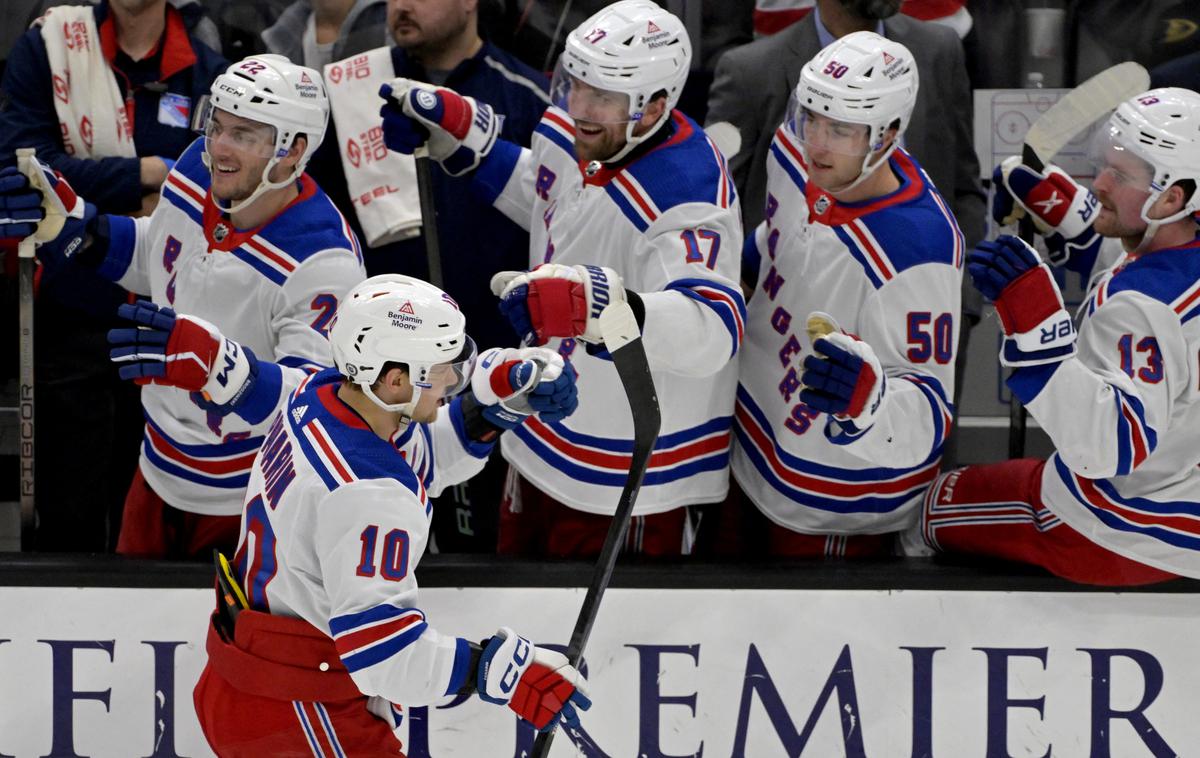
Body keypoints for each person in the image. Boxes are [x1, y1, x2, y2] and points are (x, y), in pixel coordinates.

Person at [380, 0, 746, 558]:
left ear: (654, 106)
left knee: (614, 644)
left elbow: (712, 329)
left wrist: (601, 308)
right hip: (538, 429)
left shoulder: (690, 191)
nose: (579, 105)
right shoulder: (578, 127)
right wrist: (466, 145)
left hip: (626, 473)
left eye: (603, 95)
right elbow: (551, 197)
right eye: (575, 84)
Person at [165, 274, 589, 754]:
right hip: (299, 712)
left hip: (248, 677)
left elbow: (418, 455)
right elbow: (385, 656)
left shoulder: (320, 395)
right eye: (439, 368)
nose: (451, 379)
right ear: (394, 380)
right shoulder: (369, 492)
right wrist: (498, 670)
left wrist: (494, 409)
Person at [0, 54, 366, 559]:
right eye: (217, 123)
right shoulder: (196, 168)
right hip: (154, 472)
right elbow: (163, 257)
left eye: (245, 134)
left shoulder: (323, 259)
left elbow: (320, 402)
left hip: (254, 499)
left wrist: (222, 368)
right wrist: (79, 228)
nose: (219, 147)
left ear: (293, 149)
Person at [918, 87, 1200, 585]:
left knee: (932, 508)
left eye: (1122, 174)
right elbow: (1145, 263)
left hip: (1117, 528)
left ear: (1173, 196)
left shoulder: (1139, 307)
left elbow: (1110, 447)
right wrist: (1072, 217)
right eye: (1107, 163)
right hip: (1184, 494)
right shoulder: (1176, 254)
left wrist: (1037, 331)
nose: (1100, 182)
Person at [722, 32, 962, 557]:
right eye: (812, 118)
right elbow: (776, 238)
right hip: (750, 448)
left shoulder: (918, 245)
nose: (818, 142)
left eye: (842, 129)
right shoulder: (794, 152)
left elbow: (929, 410)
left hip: (831, 505)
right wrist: (738, 266)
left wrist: (871, 402)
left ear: (888, 133)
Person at [0, 0, 226, 550]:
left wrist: (94, 179)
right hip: (69, 308)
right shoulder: (49, 45)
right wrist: (145, 173)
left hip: (169, 320)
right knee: (67, 517)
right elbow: (23, 169)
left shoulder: (208, 69)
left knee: (153, 518)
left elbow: (214, 185)